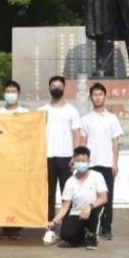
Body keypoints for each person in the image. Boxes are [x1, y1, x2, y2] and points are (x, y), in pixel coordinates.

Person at [39, 76, 83, 245]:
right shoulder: (42, 110)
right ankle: (49, 228)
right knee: (48, 194)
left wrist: (75, 156)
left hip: (66, 158)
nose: (56, 89)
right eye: (53, 86)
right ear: (49, 88)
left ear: (64, 88)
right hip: (47, 157)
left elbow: (77, 134)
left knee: (67, 194)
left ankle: (68, 228)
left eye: (59, 86)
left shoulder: (72, 111)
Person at [80, 82, 123, 241]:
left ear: (105, 97)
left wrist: (115, 163)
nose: (97, 98)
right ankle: (90, 227)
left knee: (107, 197)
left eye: (100, 95)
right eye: (95, 95)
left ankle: (106, 228)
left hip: (106, 163)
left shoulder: (112, 118)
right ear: (90, 98)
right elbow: (83, 142)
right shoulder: (85, 119)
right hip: (90, 164)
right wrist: (81, 162)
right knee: (90, 197)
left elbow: (115, 142)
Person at [47, 147, 108, 250]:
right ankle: (83, 237)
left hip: (93, 210)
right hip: (77, 213)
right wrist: (54, 222)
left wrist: (90, 207)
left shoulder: (97, 176)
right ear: (73, 161)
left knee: (97, 210)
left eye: (83, 161)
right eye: (78, 161)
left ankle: (92, 236)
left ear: (89, 161)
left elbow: (104, 198)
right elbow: (65, 207)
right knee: (65, 234)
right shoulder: (70, 182)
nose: (81, 163)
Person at [0, 80, 29, 239]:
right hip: (2, 158)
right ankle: (5, 226)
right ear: (4, 94)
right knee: (3, 193)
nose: (10, 94)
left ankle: (16, 227)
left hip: (19, 159)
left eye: (13, 91)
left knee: (17, 194)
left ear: (18, 94)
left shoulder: (25, 113)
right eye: (8, 91)